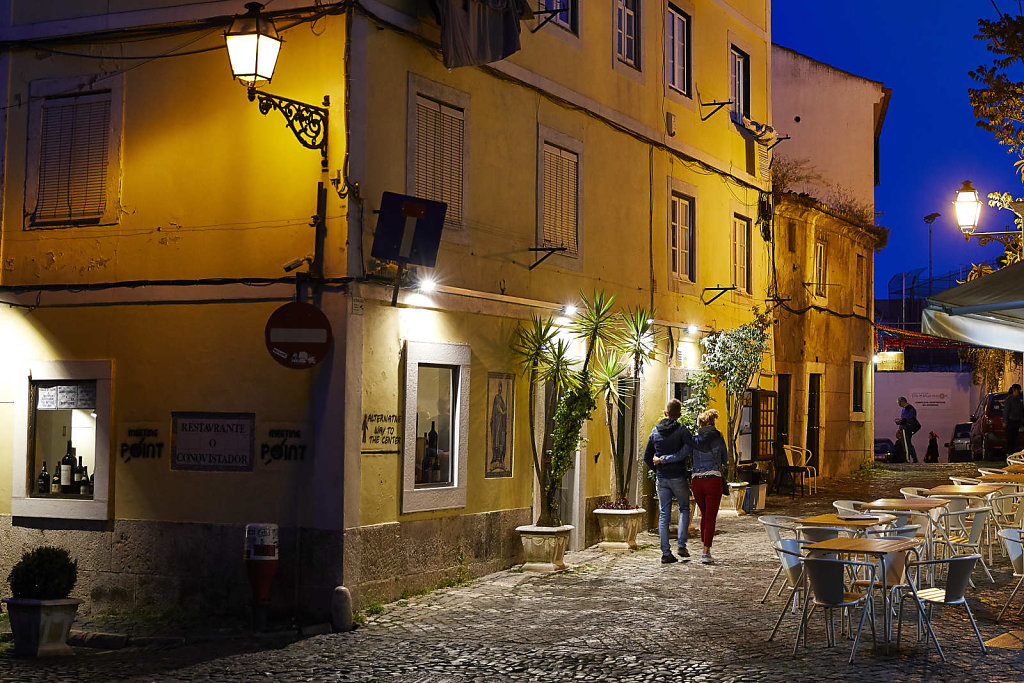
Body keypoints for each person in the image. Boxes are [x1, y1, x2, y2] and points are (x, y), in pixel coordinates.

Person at [643, 398, 697, 564]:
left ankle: (666, 553)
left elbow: (647, 457)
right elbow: (688, 450)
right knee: (684, 508)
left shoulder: (655, 431)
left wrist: (658, 467)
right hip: (678, 476)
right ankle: (681, 544)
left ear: (666, 413)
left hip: (662, 478)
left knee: (664, 514)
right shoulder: (682, 431)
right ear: (679, 415)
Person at [688, 409, 728, 565]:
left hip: (696, 481)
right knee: (710, 517)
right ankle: (706, 551)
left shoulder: (694, 439)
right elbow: (725, 458)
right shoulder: (718, 438)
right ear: (712, 422)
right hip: (713, 480)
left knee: (704, 514)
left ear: (700, 423)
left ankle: (704, 547)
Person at [894, 397, 920, 463]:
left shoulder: (908, 408)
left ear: (902, 402)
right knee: (908, 444)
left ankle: (907, 459)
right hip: (907, 428)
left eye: (899, 402)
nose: (898, 404)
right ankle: (914, 458)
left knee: (906, 444)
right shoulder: (907, 408)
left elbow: (905, 420)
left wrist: (898, 422)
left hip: (906, 429)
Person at [1006, 384, 1023, 457]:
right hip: (1011, 421)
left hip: (1016, 421)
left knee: (1015, 438)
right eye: (1017, 390)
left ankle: (1012, 452)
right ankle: (1009, 453)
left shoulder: (1018, 399)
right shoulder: (1010, 399)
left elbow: (1020, 411)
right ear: (1014, 390)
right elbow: (1006, 411)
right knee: (1010, 438)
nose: (1019, 392)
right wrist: (1005, 421)